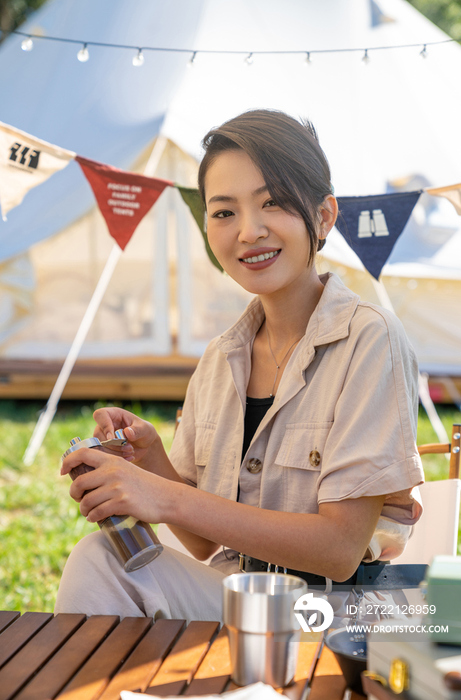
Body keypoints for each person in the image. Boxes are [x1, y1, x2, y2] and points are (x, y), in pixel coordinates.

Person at [55, 109, 424, 623]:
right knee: (100, 560)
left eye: (272, 202)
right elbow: (202, 543)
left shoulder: (369, 337)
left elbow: (340, 551)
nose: (249, 231)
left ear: (323, 216)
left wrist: (165, 498)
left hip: (336, 614)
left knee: (103, 567)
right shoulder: (220, 358)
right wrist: (153, 461)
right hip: (237, 595)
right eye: (224, 212)